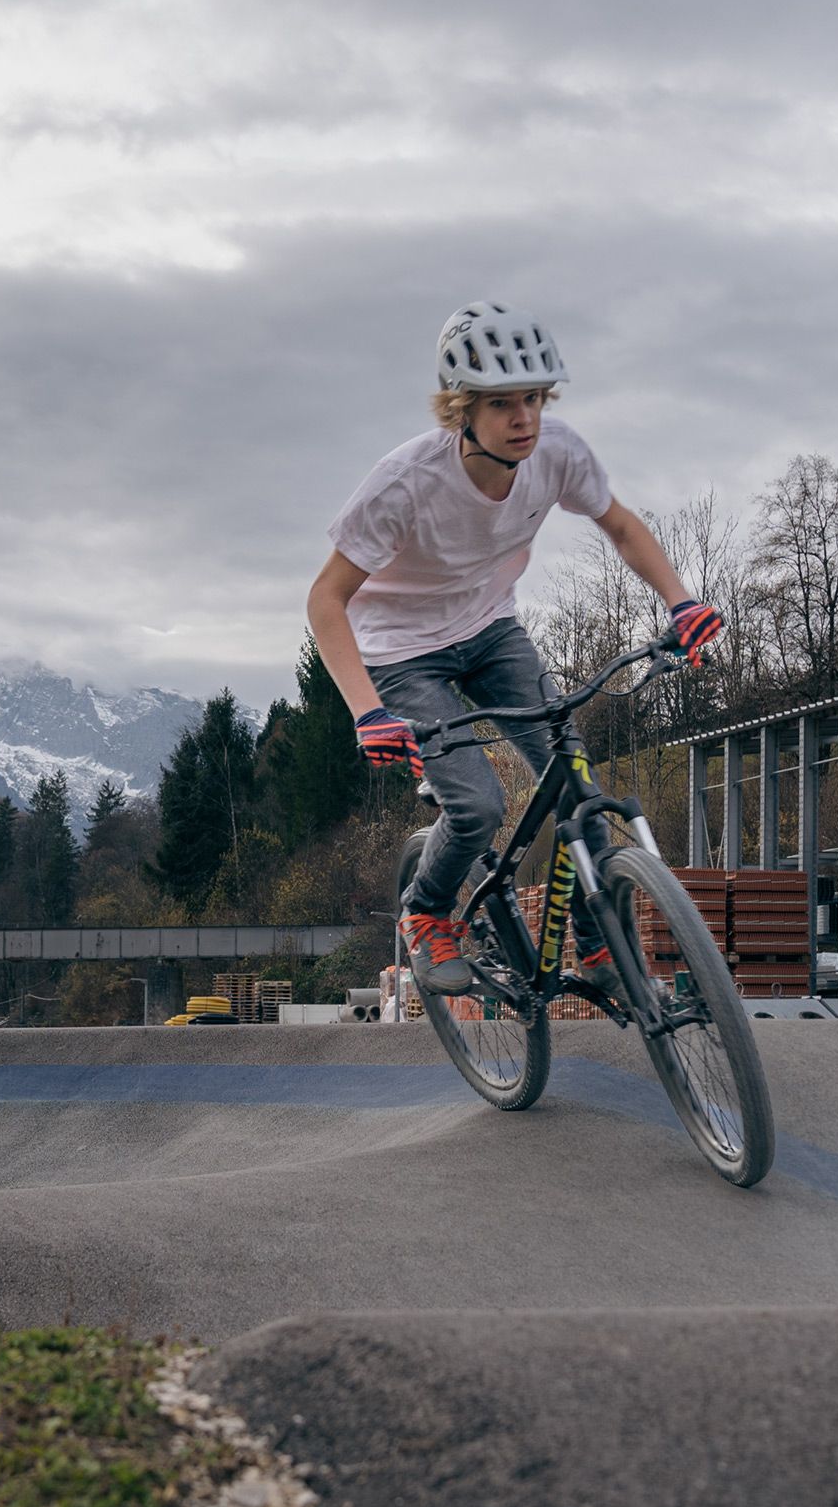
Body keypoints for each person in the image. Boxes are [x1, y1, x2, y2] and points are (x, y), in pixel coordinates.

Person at [306, 302, 723, 995]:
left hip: (493, 631)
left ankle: (599, 948)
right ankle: (426, 912)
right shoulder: (406, 482)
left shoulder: (556, 452)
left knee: (578, 783)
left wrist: (682, 603)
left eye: (533, 398)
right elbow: (326, 599)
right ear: (460, 409)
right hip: (403, 652)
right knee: (478, 807)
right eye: (502, 404)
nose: (524, 418)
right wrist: (367, 713)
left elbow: (621, 526)